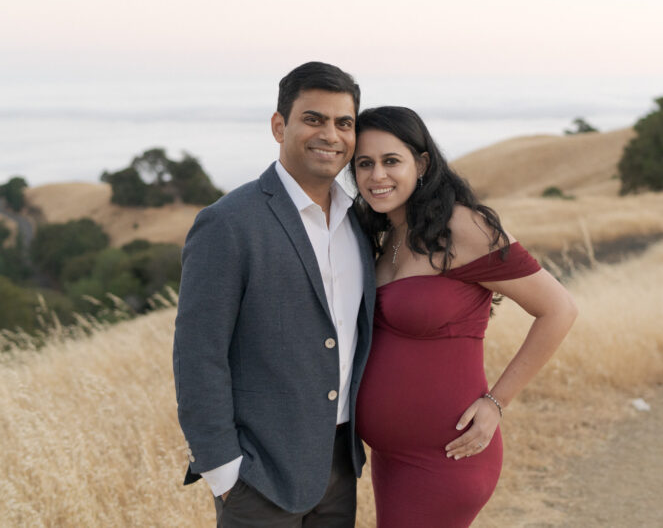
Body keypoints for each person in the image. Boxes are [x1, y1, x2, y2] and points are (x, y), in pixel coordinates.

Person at [349, 106, 578, 527]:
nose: (376, 175)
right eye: (364, 164)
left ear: (421, 163)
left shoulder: (462, 227)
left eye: (390, 161)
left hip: (447, 455)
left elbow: (558, 309)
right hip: (390, 457)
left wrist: (496, 402)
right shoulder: (387, 236)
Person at [173, 62, 377, 527]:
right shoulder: (228, 223)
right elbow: (198, 356)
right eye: (314, 119)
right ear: (279, 125)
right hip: (258, 477)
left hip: (341, 465)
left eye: (344, 123)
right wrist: (225, 473)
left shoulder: (360, 222)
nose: (331, 134)